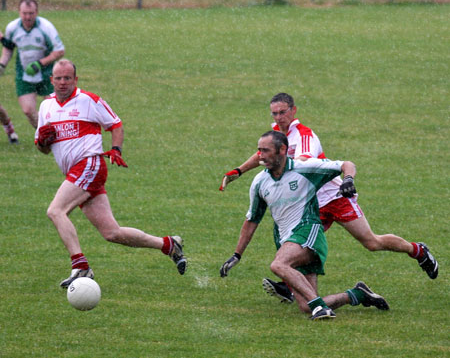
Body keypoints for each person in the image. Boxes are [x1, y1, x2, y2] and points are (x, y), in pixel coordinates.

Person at [220, 92, 438, 303]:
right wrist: (238, 171)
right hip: (310, 204)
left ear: (294, 110)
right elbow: (263, 153)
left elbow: (301, 165)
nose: (278, 118)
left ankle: (417, 250)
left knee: (371, 242)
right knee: (294, 242)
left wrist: (347, 179)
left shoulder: (304, 136)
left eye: (282, 112)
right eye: (274, 113)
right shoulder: (277, 133)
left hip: (334, 196)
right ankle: (292, 288)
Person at [35, 59, 187, 288]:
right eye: (59, 78)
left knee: (56, 210)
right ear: (51, 80)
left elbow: (115, 124)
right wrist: (44, 142)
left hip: (89, 165)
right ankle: (168, 245)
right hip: (77, 173)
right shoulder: (46, 107)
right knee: (111, 233)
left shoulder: (88, 100)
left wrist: (116, 149)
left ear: (76, 80)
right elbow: (43, 149)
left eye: (68, 78)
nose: (63, 82)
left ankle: (81, 266)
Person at [220, 131, 389, 320]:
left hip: (309, 233)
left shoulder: (305, 168)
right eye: (259, 150)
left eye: (266, 150)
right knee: (305, 306)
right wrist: (237, 254)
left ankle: (321, 309)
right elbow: (252, 220)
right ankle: (357, 294)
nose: (261, 155)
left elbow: (346, 165)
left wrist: (348, 179)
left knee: (278, 264)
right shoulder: (259, 182)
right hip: (286, 241)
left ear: (282, 150)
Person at [0, 0, 65, 129]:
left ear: (37, 12)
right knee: (28, 111)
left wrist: (40, 63)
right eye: (24, 13)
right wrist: (2, 65)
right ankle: (43, 135)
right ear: (19, 12)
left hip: (46, 74)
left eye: (31, 13)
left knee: (52, 111)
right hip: (24, 74)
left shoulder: (46, 27)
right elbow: (8, 48)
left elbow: (60, 50)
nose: (28, 17)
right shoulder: (12, 28)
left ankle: (54, 134)